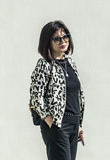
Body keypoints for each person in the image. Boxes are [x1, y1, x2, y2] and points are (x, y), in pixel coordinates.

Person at [30, 20, 85, 160]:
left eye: (65, 36)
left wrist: (78, 125)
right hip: (58, 125)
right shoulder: (44, 65)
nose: (63, 41)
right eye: (57, 38)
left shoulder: (70, 63)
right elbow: (36, 97)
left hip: (74, 124)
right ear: (48, 42)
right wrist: (51, 122)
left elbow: (75, 96)